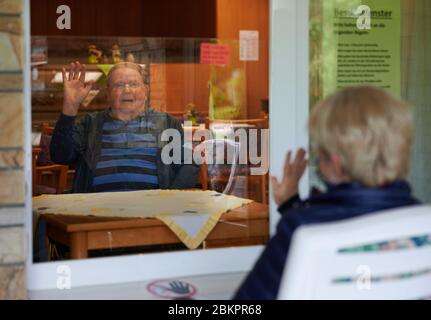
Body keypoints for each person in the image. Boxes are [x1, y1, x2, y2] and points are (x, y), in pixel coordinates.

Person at [233, 86, 419, 300]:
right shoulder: (419, 219)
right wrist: (290, 203)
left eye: (320, 151)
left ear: (336, 162)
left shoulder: (302, 229)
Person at [50, 61, 199, 193]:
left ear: (145, 91)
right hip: (96, 212)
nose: (127, 90)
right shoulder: (90, 123)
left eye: (134, 84)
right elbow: (60, 155)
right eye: (119, 85)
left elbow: (189, 166)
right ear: (108, 93)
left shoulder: (167, 123)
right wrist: (70, 107)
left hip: (153, 212)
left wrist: (168, 198)